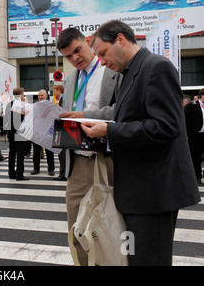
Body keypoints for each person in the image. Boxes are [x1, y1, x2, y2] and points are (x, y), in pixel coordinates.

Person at [82, 19, 201, 266]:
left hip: (153, 192)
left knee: (150, 260)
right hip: (138, 190)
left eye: (103, 53)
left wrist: (110, 131)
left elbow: (167, 126)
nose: (102, 61)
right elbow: (126, 116)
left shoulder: (156, 67)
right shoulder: (128, 73)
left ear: (121, 39)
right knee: (138, 258)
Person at [57, 27, 123, 266]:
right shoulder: (71, 78)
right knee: (76, 229)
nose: (74, 58)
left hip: (108, 160)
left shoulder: (112, 71)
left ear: (87, 42)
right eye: (68, 56)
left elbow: (123, 110)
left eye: (77, 50)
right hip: (77, 162)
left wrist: (86, 114)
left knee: (110, 228)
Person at [5, 87, 28, 181]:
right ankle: (19, 174)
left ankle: (11, 173)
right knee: (20, 153)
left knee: (12, 153)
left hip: (11, 132)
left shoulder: (9, 104)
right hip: (20, 132)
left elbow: (6, 118)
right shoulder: (22, 105)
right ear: (21, 94)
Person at [31, 90, 55, 176]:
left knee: (49, 151)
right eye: (39, 96)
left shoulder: (51, 106)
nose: (40, 97)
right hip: (37, 131)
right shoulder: (35, 106)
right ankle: (36, 168)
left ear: (46, 96)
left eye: (41, 95)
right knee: (36, 152)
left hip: (47, 131)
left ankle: (51, 169)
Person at [184, 88, 204, 184]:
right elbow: (186, 120)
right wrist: (187, 133)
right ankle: (197, 175)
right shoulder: (192, 106)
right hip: (195, 135)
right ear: (202, 95)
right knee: (196, 157)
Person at [52, 85, 67, 181]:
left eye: (54, 91)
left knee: (62, 153)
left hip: (63, 129)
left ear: (59, 90)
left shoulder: (63, 99)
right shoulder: (62, 99)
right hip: (63, 128)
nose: (53, 93)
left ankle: (63, 174)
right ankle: (63, 173)